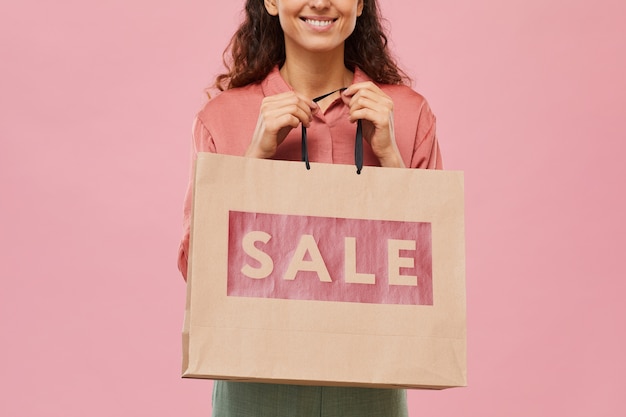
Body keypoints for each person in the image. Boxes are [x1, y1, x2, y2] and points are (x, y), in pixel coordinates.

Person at [178, 0, 442, 416]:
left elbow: (436, 273)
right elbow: (197, 269)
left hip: (371, 377)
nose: (319, 1)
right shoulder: (222, 117)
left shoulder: (407, 114)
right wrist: (255, 156)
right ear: (270, 1)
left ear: (358, 3)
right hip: (254, 376)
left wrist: (390, 157)